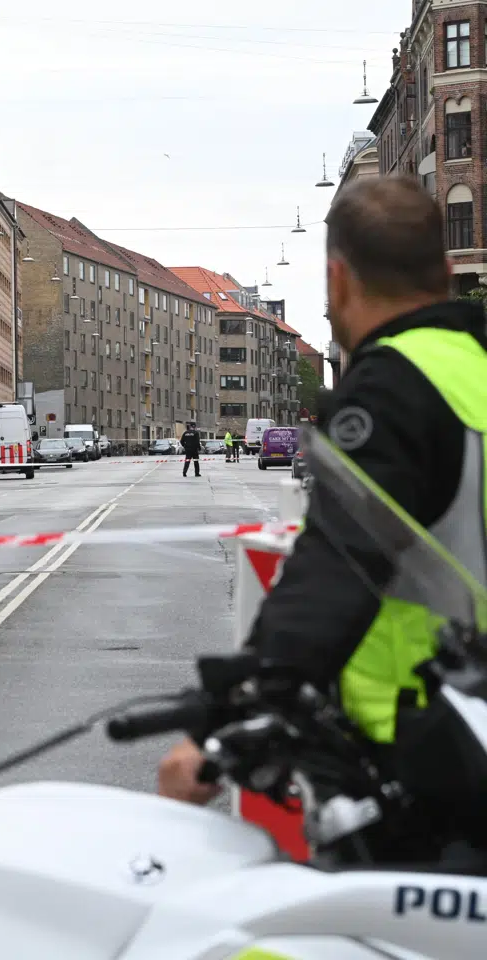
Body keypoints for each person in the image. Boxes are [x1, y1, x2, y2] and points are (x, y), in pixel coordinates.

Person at [158, 175, 487, 806]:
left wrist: (223, 722)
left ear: (337, 282)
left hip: (421, 747)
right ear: (446, 272)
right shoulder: (471, 371)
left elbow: (336, 567)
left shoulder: (393, 390)